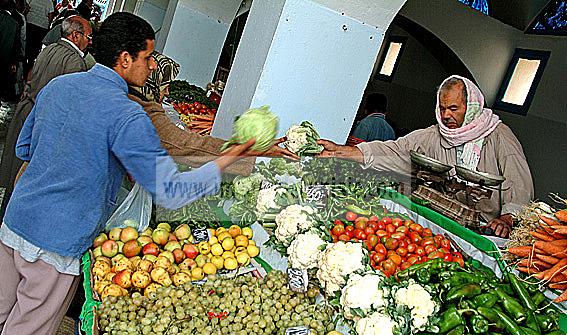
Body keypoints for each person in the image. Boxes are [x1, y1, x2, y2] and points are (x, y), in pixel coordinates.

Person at [0, 12, 256, 335]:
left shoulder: (58, 87)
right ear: (125, 59)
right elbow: (169, 190)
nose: (152, 67)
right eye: (148, 58)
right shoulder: (126, 115)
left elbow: (26, 149)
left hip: (15, 222)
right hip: (57, 244)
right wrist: (224, 160)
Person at [317, 75, 534, 238]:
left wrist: (507, 218)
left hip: (487, 228)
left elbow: (518, 182)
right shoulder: (433, 135)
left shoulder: (499, 136)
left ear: (472, 107)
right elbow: (396, 149)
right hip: (449, 220)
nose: (446, 115)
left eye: (453, 108)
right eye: (442, 108)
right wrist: (345, 151)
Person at [127, 51, 297, 176]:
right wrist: (251, 151)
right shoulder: (140, 111)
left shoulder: (127, 97)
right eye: (165, 84)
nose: (169, 91)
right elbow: (185, 146)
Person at [0, 15, 92, 221]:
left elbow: (31, 77)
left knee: (16, 171)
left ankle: (4, 216)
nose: (89, 42)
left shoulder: (49, 48)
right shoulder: (75, 62)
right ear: (76, 35)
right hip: (44, 123)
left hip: (26, 114)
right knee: (29, 177)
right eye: (88, 37)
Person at [24, 0, 54, 73]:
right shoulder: (49, 2)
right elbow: (50, 15)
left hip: (30, 22)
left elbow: (27, 9)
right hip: (42, 26)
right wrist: (48, 25)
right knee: (36, 46)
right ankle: (31, 64)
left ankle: (26, 62)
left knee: (28, 44)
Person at [0, 0, 21, 103]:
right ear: (12, 9)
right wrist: (14, 63)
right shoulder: (14, 24)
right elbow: (16, 46)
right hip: (4, 62)